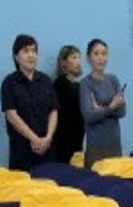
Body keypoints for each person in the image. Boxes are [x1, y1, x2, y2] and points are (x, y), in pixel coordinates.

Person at [0, 33, 57, 170]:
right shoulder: (10, 83)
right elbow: (12, 116)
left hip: (47, 149)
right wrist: (34, 139)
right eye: (25, 51)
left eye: (34, 51)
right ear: (16, 57)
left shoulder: (45, 80)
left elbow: (53, 110)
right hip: (22, 151)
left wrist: (48, 137)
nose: (31, 55)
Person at [79, 38, 126, 168]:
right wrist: (111, 107)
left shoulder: (113, 80)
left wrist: (100, 109)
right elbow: (88, 115)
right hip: (96, 146)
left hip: (115, 143)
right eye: (96, 53)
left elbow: (122, 112)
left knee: (116, 183)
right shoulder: (85, 83)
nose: (101, 58)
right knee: (95, 184)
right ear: (89, 57)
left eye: (104, 53)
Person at [51, 44, 84, 163]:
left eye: (79, 58)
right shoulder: (58, 85)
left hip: (78, 137)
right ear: (63, 62)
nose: (78, 62)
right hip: (63, 140)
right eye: (74, 57)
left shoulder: (80, 85)